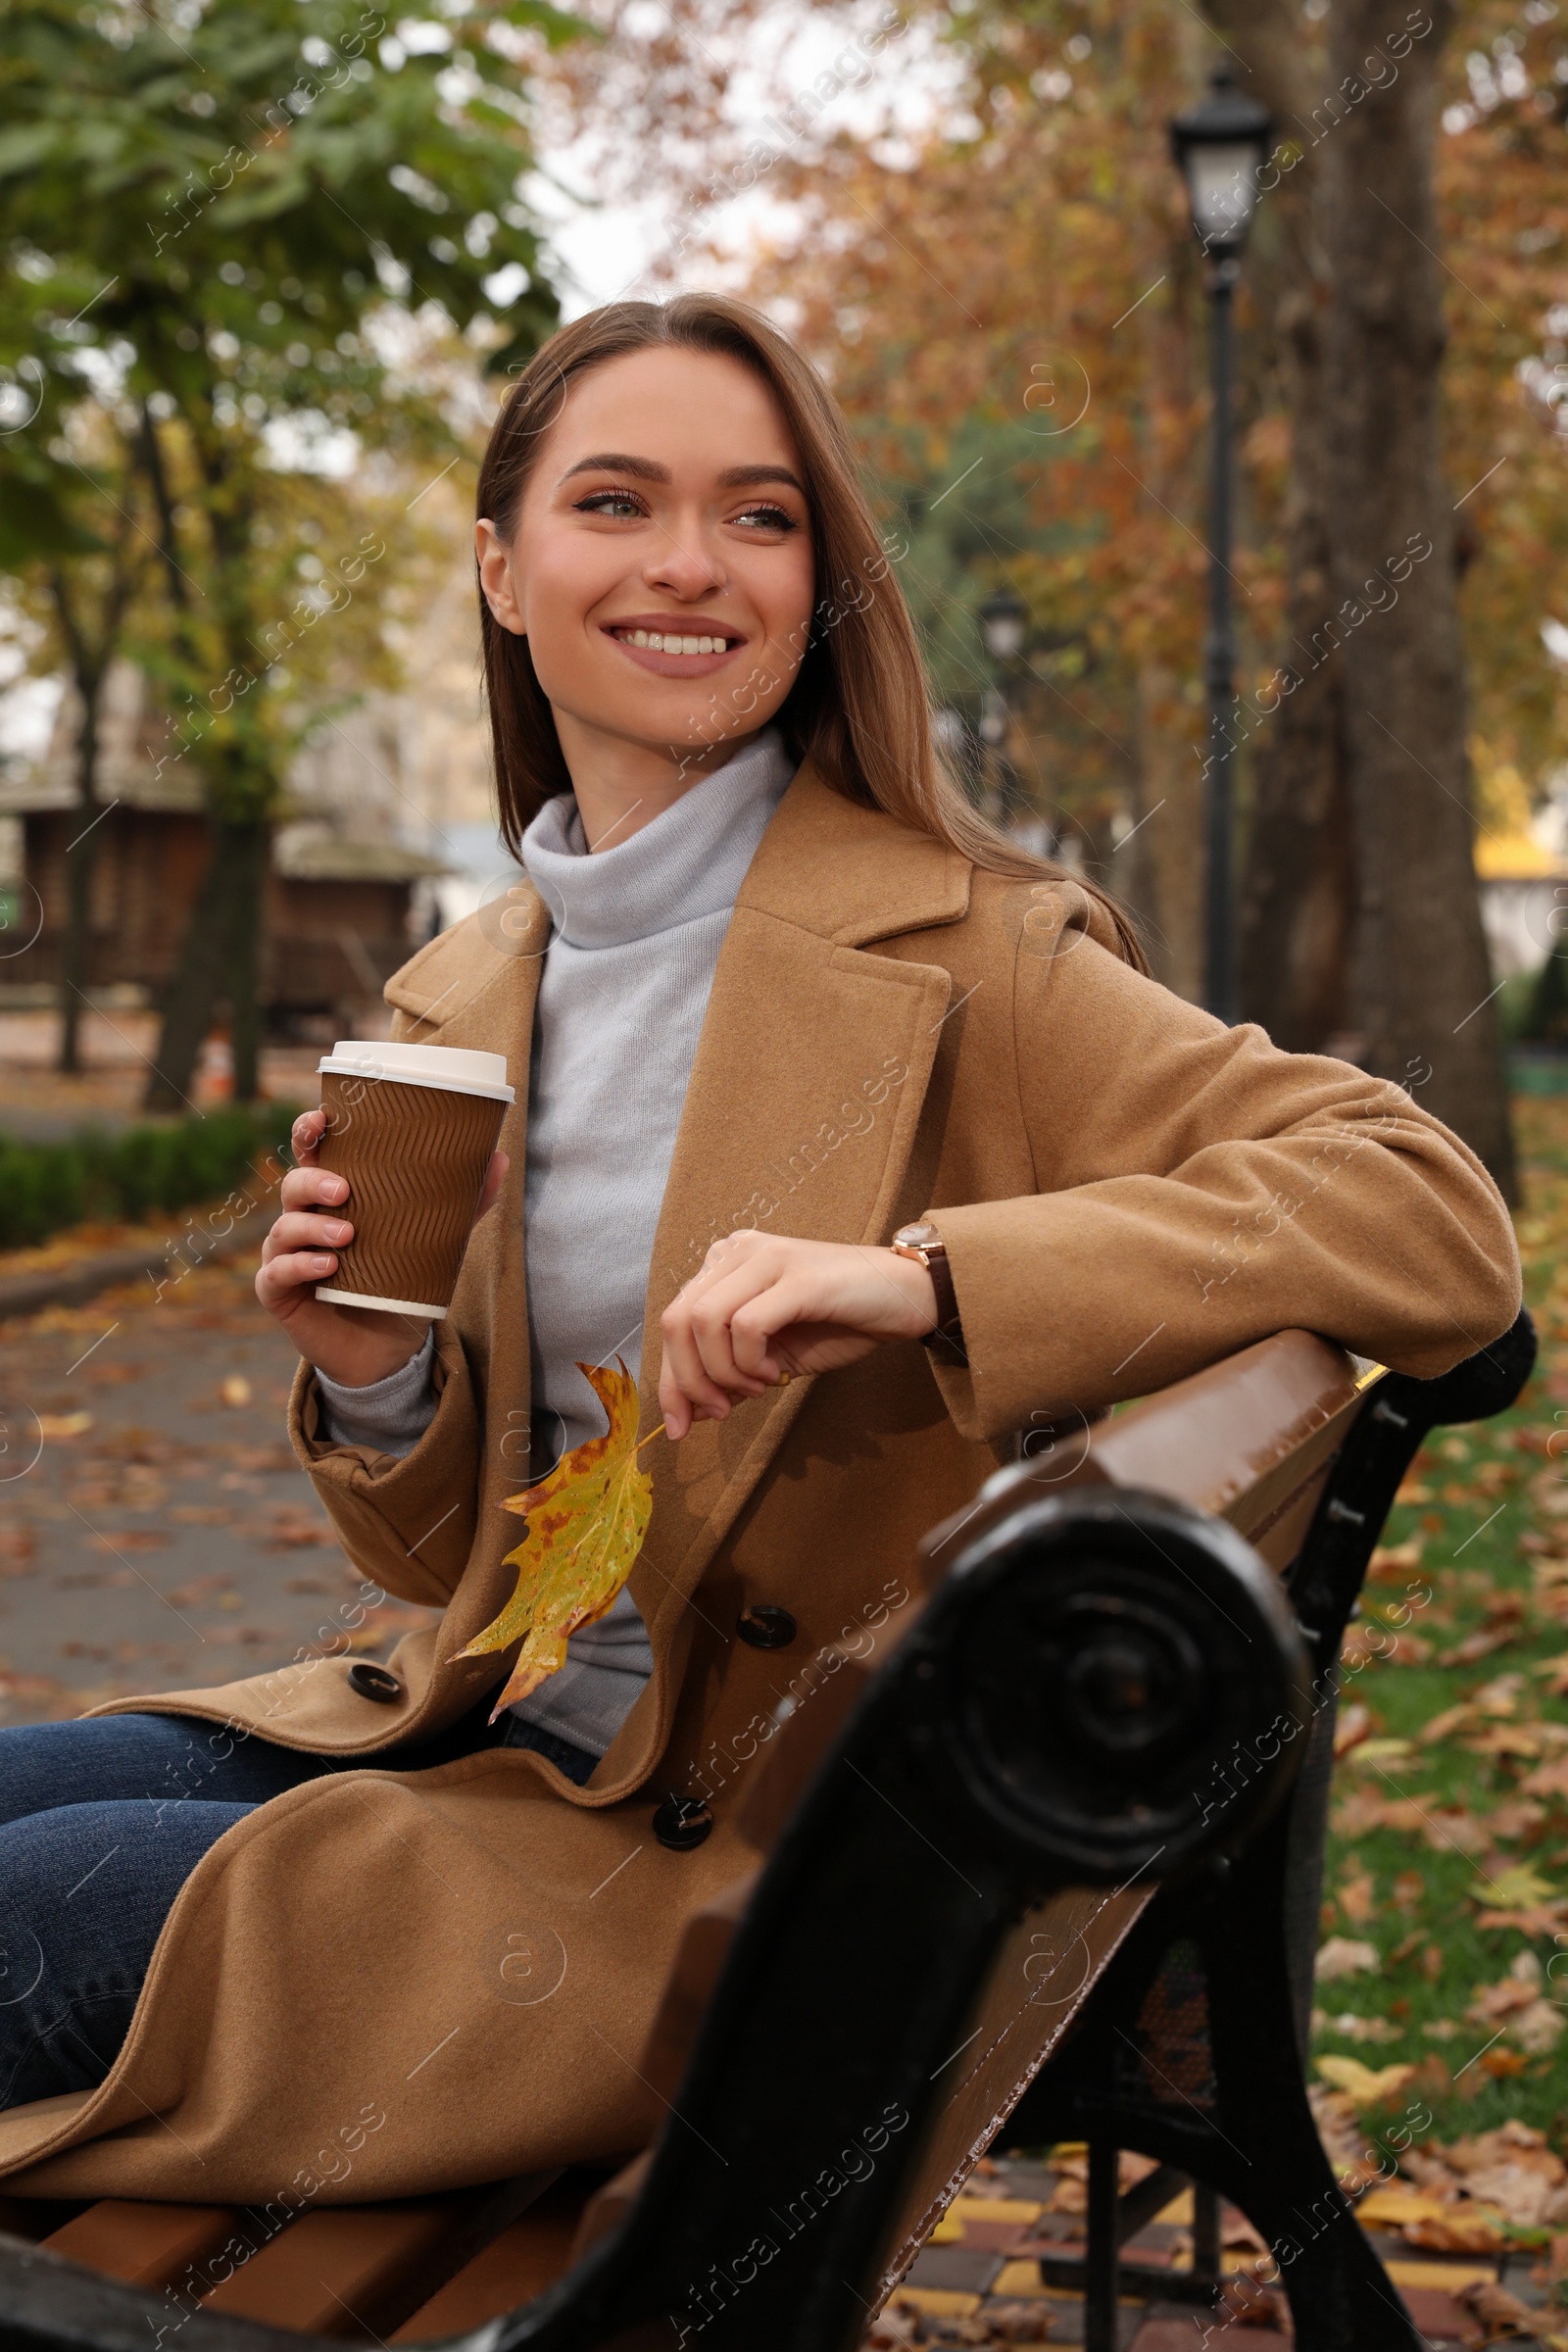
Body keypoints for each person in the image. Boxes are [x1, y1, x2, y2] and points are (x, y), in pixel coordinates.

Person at [0, 294, 1520, 2201]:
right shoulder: (467, 980)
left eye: (760, 516)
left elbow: (1428, 1208)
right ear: (500, 563)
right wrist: (374, 1377)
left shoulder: (970, 950)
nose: (688, 566)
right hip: (468, 1734)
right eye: (615, 502)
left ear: (820, 583)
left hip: (710, 1873)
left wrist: (936, 1277)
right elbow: (449, 1562)